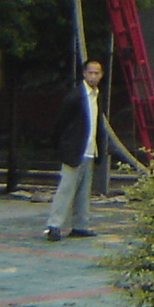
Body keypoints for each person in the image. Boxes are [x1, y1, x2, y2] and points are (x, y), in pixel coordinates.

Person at [43, 59, 105, 241]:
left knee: (84, 191)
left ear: (101, 75)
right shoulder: (75, 97)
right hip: (74, 151)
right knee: (66, 189)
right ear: (84, 74)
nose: (93, 76)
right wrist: (62, 147)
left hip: (89, 150)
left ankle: (80, 225)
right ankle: (54, 225)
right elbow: (61, 124)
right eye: (90, 73)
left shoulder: (96, 96)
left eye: (97, 73)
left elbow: (97, 124)